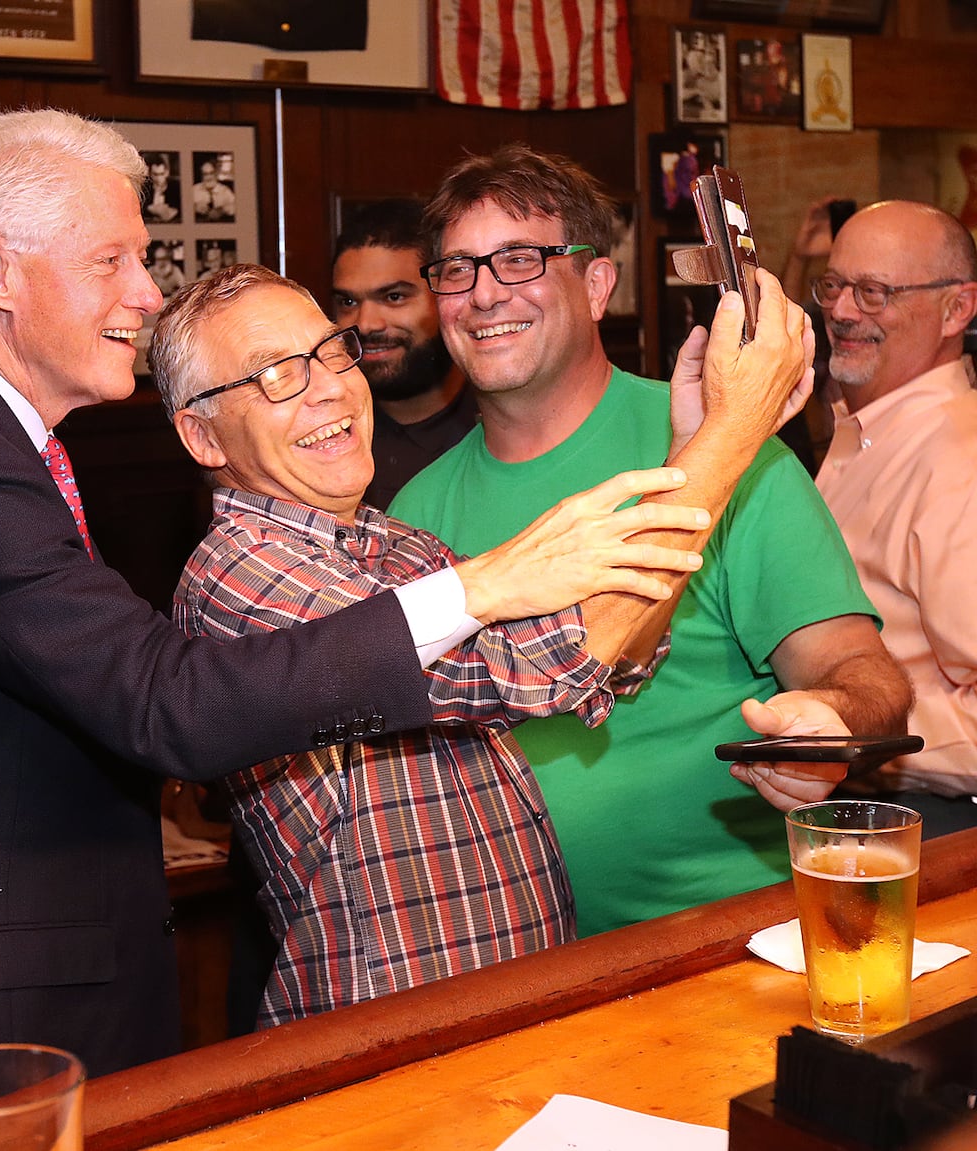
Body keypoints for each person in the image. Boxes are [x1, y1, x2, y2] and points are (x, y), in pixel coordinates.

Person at [0, 109, 695, 1075]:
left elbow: (581, 664)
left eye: (328, 357)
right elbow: (165, 703)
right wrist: (486, 584)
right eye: (113, 260)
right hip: (11, 991)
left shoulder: (0, 446)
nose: (145, 294)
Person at [149, 261, 840, 1024]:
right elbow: (552, 655)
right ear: (201, 434)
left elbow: (595, 662)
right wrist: (732, 433)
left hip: (511, 1002)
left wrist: (688, 456)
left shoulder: (399, 543)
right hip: (391, 1036)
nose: (328, 387)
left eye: (329, 352)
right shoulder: (242, 571)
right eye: (276, 374)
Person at [391, 145, 913, 936]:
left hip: (724, 940)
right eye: (456, 269)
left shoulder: (726, 450)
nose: (484, 293)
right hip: (506, 962)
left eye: (520, 259)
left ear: (598, 284)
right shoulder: (411, 509)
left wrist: (830, 723)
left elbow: (866, 677)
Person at [811, 201, 977, 833]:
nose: (844, 312)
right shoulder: (869, 431)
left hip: (925, 825)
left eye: (875, 293)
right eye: (835, 286)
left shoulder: (959, 462)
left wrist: (843, 725)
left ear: (956, 309)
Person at [331, 198, 477, 508]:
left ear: (445, 296)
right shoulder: (323, 436)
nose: (366, 324)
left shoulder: (500, 424)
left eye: (394, 296)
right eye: (348, 303)